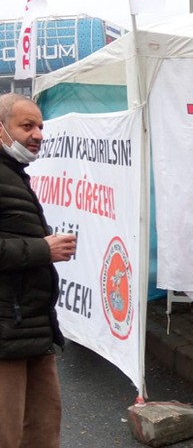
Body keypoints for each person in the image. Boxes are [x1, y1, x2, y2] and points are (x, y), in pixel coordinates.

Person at [0, 93, 77, 447]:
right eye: (27, 125)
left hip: (33, 326)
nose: (38, 134)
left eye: (40, 126)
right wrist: (42, 249)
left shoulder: (15, 174)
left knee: (43, 429)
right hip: (7, 333)